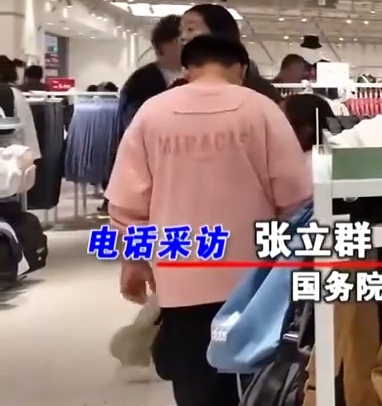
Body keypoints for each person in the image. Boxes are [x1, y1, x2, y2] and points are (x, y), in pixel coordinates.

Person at [105, 34, 312, 406]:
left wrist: (133, 262)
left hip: (179, 277)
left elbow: (128, 206)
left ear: (187, 68)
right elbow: (295, 198)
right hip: (252, 281)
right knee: (254, 380)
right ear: (241, 68)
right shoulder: (261, 110)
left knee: (193, 382)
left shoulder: (152, 113)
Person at [181, 3, 281, 102]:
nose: (183, 37)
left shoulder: (259, 91)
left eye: (190, 29)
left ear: (219, 32)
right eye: (180, 31)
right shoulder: (180, 86)